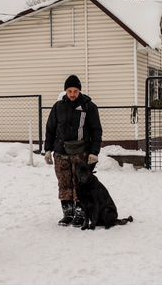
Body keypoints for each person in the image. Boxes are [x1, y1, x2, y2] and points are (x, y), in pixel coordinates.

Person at [44, 74, 103, 227]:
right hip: (61, 153)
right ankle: (67, 214)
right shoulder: (58, 107)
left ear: (79, 91)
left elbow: (96, 130)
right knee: (64, 183)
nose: (72, 94)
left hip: (81, 153)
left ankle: (80, 213)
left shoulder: (89, 107)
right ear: (65, 91)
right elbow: (50, 129)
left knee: (79, 184)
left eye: (75, 91)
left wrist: (94, 152)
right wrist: (48, 149)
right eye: (69, 91)